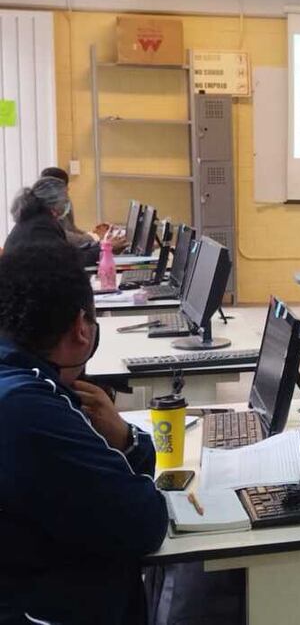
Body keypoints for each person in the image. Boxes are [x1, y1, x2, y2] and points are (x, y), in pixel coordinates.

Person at [0, 242, 169, 623]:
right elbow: (143, 522)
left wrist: (124, 444)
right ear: (81, 328)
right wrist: (129, 439)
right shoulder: (31, 408)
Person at [4, 177, 100, 265]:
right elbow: (68, 260)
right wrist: (103, 249)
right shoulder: (41, 228)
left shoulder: (32, 221)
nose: (68, 203)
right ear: (55, 203)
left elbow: (64, 252)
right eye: (66, 199)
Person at [40, 166, 128, 254]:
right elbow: (64, 237)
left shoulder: (61, 205)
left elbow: (71, 229)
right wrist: (97, 237)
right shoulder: (41, 218)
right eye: (65, 193)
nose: (66, 198)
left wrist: (93, 233)